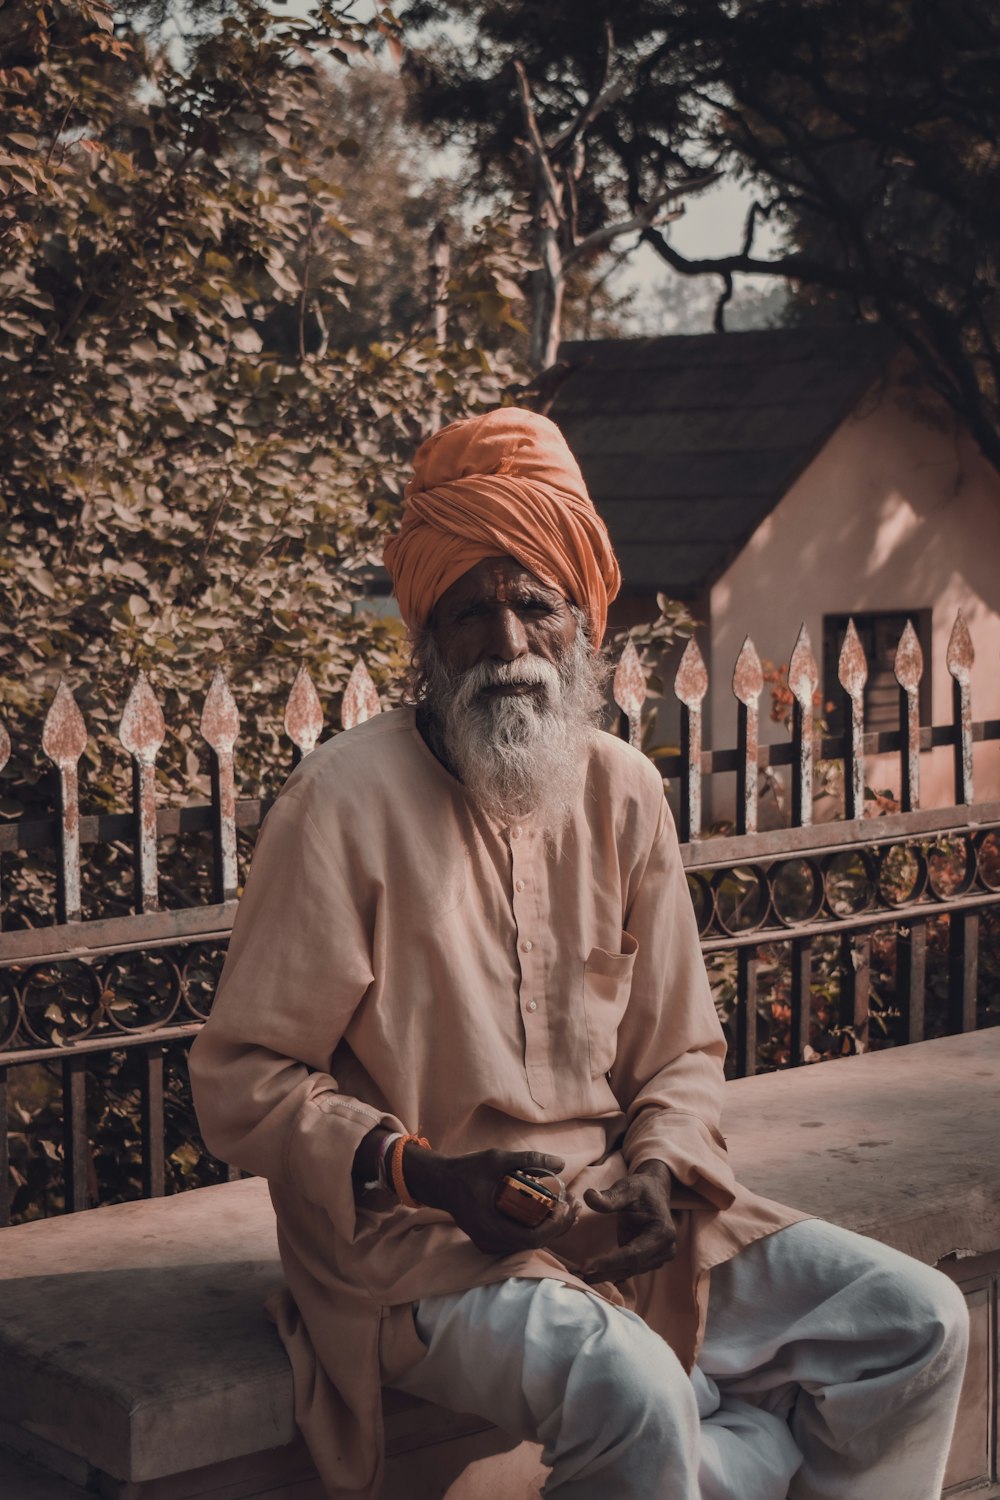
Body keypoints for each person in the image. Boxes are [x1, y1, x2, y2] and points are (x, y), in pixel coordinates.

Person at [189, 408, 968, 1500]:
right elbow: (243, 1082)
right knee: (636, 1391)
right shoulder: (338, 807)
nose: (507, 647)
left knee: (913, 1323)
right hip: (421, 1246)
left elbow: (680, 1053)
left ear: (580, 620)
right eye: (471, 614)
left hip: (615, 1216)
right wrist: (425, 1170)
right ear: (426, 635)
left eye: (533, 606)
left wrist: (656, 1167)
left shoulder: (622, 789)